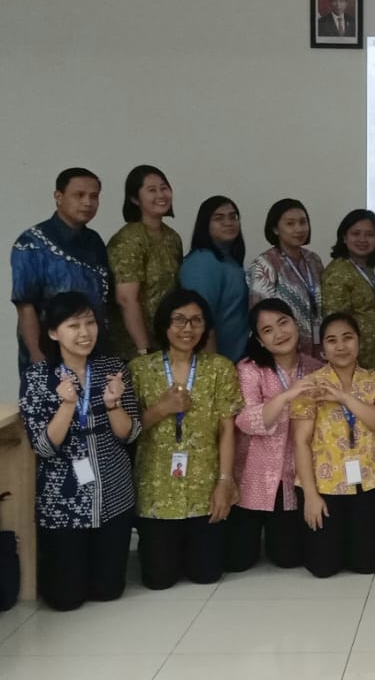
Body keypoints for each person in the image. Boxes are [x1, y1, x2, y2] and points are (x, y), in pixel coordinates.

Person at [18, 291, 140, 610]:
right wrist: (67, 405)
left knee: (108, 591)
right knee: (65, 599)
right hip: (64, 501)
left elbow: (129, 434)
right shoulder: (37, 377)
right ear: (53, 332)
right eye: (73, 325)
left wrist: (113, 404)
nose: (85, 333)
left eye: (90, 323)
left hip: (113, 494)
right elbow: (43, 447)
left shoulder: (113, 368)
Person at [129, 289, 242, 589]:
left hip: (204, 488)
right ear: (164, 324)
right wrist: (161, 409)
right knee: (159, 580)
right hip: (156, 489)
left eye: (196, 320)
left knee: (207, 575)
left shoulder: (220, 368)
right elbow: (128, 430)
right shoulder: (140, 370)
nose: (187, 328)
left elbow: (227, 429)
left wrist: (225, 482)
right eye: (179, 320)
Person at [290, 312, 375, 577]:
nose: (341, 346)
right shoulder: (309, 385)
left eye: (347, 338)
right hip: (324, 485)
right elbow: (301, 442)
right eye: (332, 340)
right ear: (322, 348)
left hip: (369, 480)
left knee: (367, 565)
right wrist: (310, 495)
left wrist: (343, 397)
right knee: (323, 568)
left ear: (359, 341)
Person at [224, 299, 322, 572]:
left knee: (288, 559)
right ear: (259, 340)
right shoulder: (249, 369)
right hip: (254, 476)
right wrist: (288, 396)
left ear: (295, 323)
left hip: (295, 474)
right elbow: (245, 420)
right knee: (238, 562)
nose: (279, 333)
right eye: (268, 330)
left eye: (283, 322)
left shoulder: (315, 368)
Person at [11, 168, 112, 370]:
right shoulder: (31, 242)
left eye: (94, 196)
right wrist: (40, 364)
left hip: (93, 351)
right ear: (59, 196)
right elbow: (25, 307)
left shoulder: (94, 241)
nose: (88, 202)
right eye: (79, 195)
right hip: (50, 354)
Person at [107, 165, 183, 359]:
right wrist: (144, 351)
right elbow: (126, 299)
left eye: (164, 188)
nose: (161, 194)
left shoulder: (172, 237)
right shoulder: (129, 238)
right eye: (151, 190)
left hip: (167, 342)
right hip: (134, 350)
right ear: (135, 199)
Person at [247, 199, 325, 359]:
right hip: (283, 350)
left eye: (303, 222)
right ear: (275, 229)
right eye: (290, 224)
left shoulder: (313, 260)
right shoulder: (265, 264)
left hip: (318, 349)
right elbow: (261, 316)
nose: (299, 229)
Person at [322, 209, 375, 370]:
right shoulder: (337, 272)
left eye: (370, 234)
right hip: (351, 360)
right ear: (344, 237)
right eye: (356, 234)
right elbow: (336, 323)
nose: (362, 239)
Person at [180, 196, 250, 361]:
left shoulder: (229, 259)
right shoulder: (202, 262)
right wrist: (214, 366)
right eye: (219, 218)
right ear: (205, 224)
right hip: (214, 360)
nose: (228, 223)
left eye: (233, 217)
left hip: (235, 358)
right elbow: (200, 319)